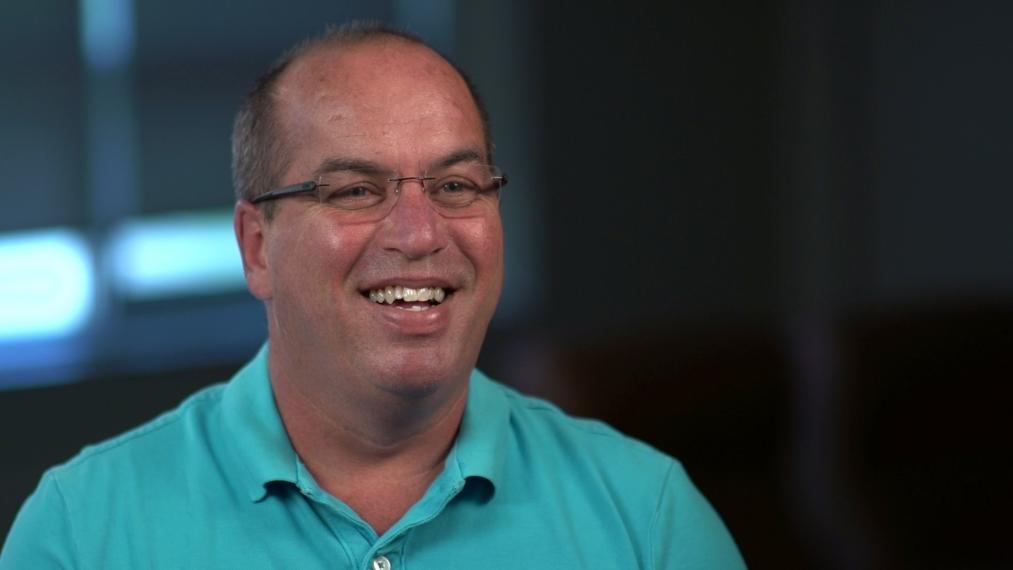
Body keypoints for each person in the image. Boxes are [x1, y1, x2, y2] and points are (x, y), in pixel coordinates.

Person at [1, 23, 745, 569]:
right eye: (355, 189)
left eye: (455, 185)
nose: (419, 233)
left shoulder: (648, 519)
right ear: (256, 248)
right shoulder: (82, 532)